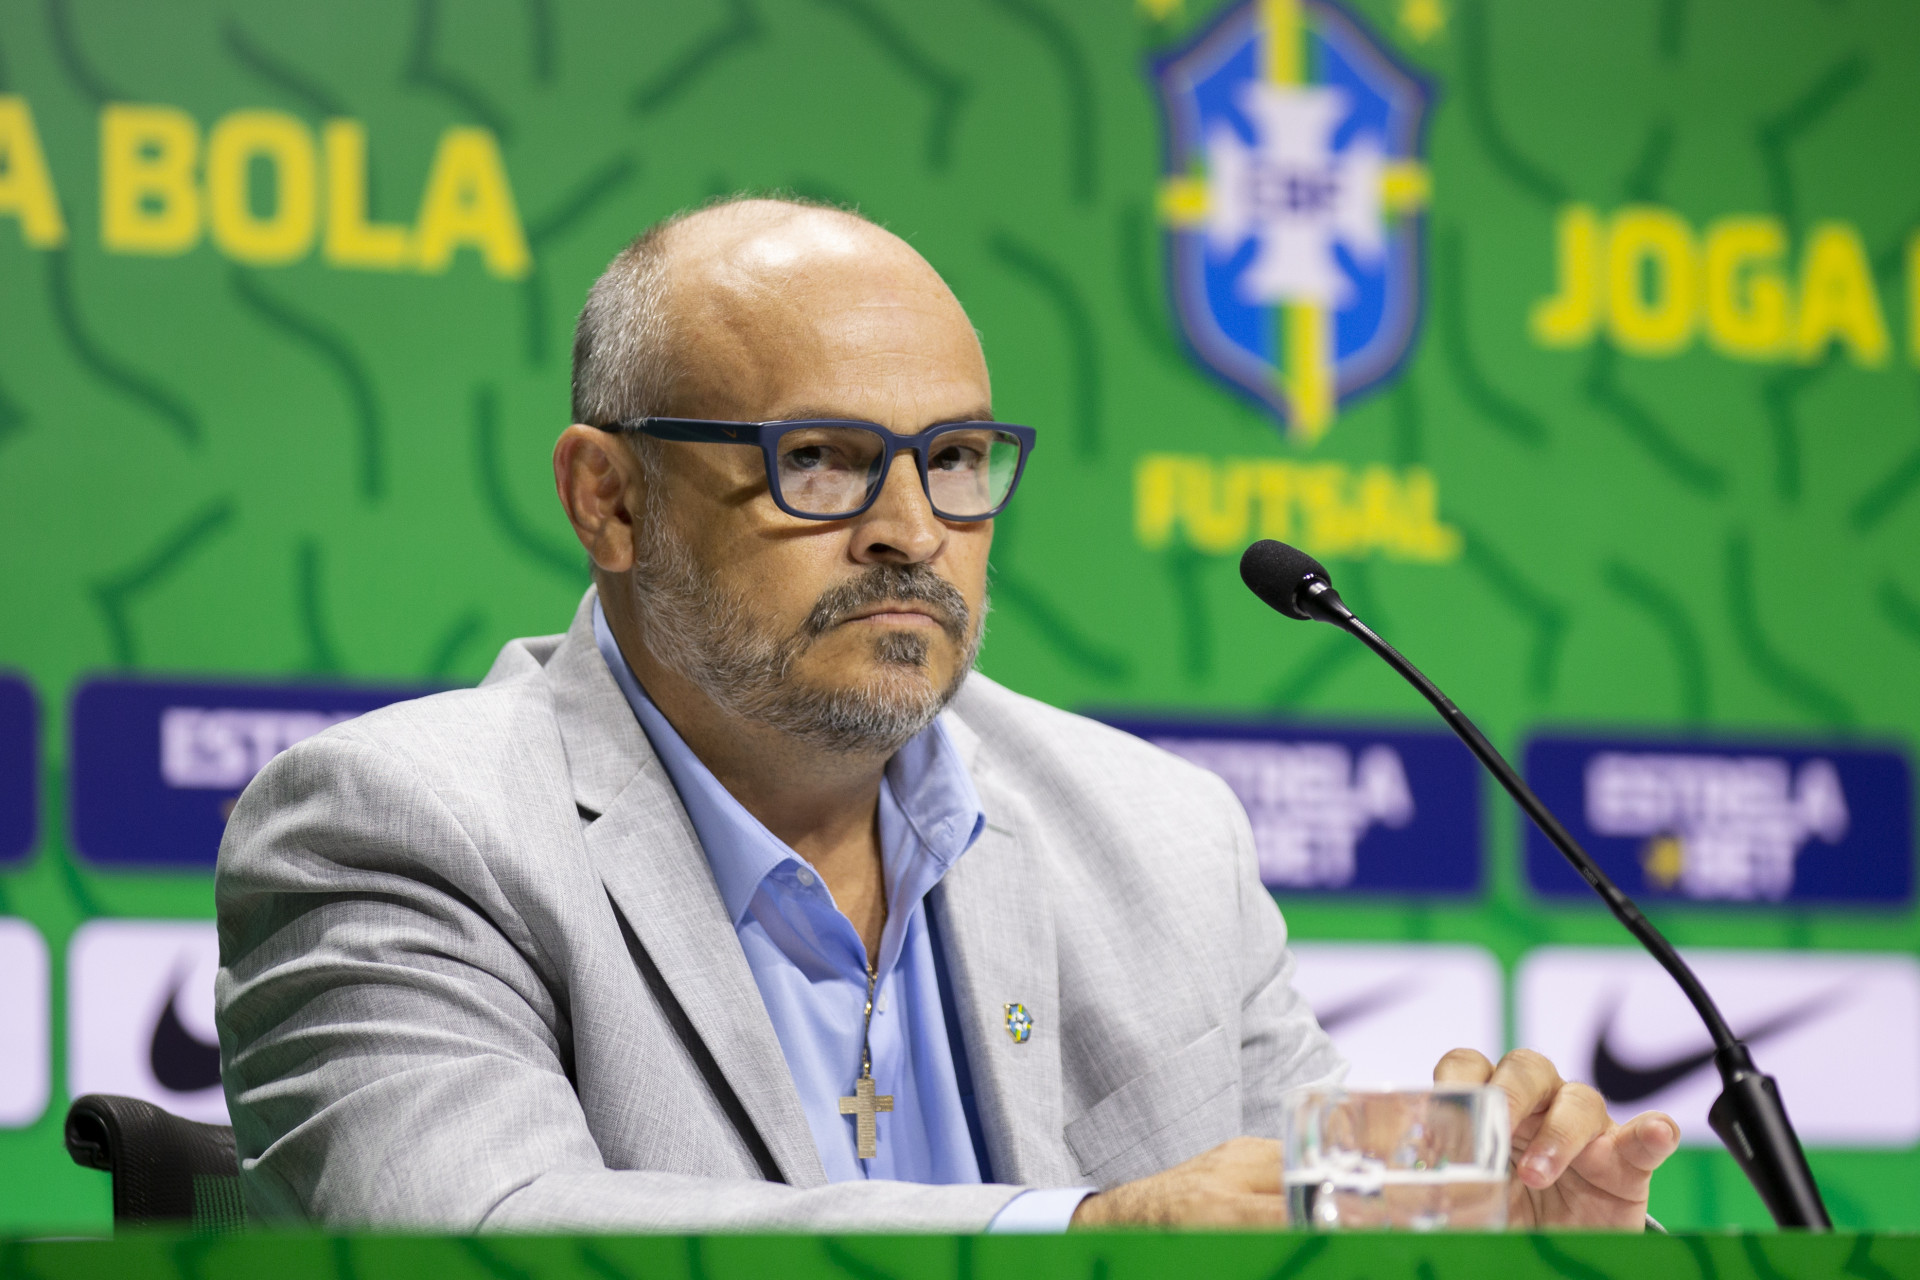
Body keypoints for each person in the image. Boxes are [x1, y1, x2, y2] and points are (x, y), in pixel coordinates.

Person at [215, 197, 1678, 1232]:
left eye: (959, 458)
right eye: (825, 460)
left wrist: (1531, 1233)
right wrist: (1086, 1232)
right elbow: (489, 1231)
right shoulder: (403, 827)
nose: (912, 528)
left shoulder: (1162, 838)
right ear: (610, 499)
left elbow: (1306, 1221)